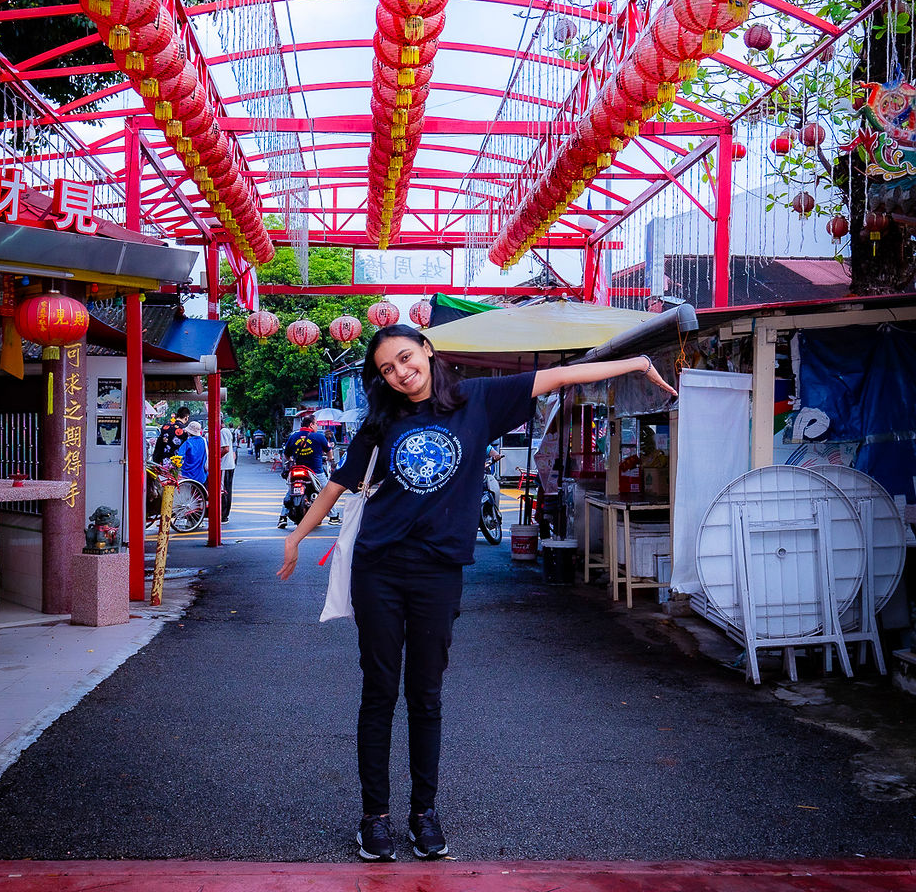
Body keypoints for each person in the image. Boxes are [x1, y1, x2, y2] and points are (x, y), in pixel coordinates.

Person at [278, 323, 675, 864]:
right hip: (379, 570)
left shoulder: (477, 401)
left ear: (426, 350)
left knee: (426, 695)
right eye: (388, 369)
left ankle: (424, 813)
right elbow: (339, 483)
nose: (400, 373)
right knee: (379, 692)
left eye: (405, 358)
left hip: (438, 572)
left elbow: (562, 376)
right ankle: (374, 817)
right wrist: (297, 537)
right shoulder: (382, 418)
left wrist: (635, 364)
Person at [278, 411, 337, 529]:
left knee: (291, 491)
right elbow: (329, 451)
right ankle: (333, 516)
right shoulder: (319, 437)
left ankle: (282, 518)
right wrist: (330, 459)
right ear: (311, 425)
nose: (317, 426)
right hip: (315, 471)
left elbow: (286, 455)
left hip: (297, 470)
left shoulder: (293, 436)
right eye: (316, 424)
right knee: (327, 492)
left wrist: (291, 460)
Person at [177, 419, 208, 486]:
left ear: (189, 432)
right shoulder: (204, 441)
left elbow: (179, 457)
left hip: (187, 475)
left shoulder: (187, 443)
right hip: (201, 475)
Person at [219, 420, 236, 522]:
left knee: (224, 490)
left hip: (224, 465)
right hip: (228, 465)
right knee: (226, 489)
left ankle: (224, 514)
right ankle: (224, 513)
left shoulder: (223, 432)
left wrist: (216, 457)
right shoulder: (226, 431)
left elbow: (226, 449)